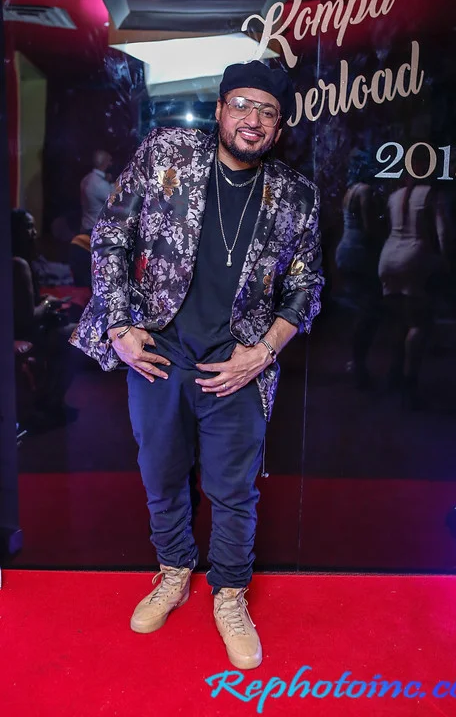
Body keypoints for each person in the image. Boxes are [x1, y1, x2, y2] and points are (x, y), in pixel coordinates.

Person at [70, 61, 324, 669]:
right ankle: (173, 572)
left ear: (279, 127)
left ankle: (230, 595)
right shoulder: (168, 154)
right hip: (161, 351)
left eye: (268, 112)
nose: (253, 120)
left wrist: (263, 352)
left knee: (233, 490)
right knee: (161, 474)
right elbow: (111, 235)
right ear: (219, 110)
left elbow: (307, 286)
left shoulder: (295, 195)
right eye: (242, 105)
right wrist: (119, 326)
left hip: (237, 361)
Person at [378, 178, 450, 408]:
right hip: (415, 257)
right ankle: (410, 384)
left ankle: (394, 374)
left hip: (388, 257)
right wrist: (446, 261)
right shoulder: (432, 194)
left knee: (398, 322)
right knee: (418, 324)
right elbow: (442, 232)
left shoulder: (394, 195)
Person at [11, 209, 78, 429]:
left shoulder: (21, 261)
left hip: (22, 329)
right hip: (24, 332)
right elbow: (28, 317)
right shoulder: (18, 264)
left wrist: (42, 300)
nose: (34, 232)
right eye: (28, 227)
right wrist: (48, 304)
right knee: (78, 336)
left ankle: (48, 398)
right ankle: (50, 401)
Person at [335, 152, 385, 387]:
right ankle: (357, 363)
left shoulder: (351, 190)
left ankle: (356, 361)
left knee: (362, 308)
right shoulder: (365, 191)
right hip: (359, 252)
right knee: (368, 310)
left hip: (347, 249)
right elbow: (369, 226)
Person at [79, 150, 114, 234]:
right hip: (96, 231)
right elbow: (116, 202)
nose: (111, 164)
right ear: (104, 163)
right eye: (109, 161)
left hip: (86, 226)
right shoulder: (100, 184)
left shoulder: (86, 179)